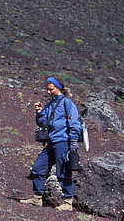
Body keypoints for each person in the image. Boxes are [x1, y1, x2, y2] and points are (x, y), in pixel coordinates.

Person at [21, 76, 82, 211]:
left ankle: (67, 202)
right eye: (47, 90)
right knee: (38, 168)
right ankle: (37, 199)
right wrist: (39, 112)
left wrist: (73, 142)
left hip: (63, 142)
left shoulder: (67, 103)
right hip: (51, 142)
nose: (48, 92)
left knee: (63, 171)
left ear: (58, 88)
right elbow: (43, 123)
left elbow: (74, 124)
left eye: (51, 89)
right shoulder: (49, 105)